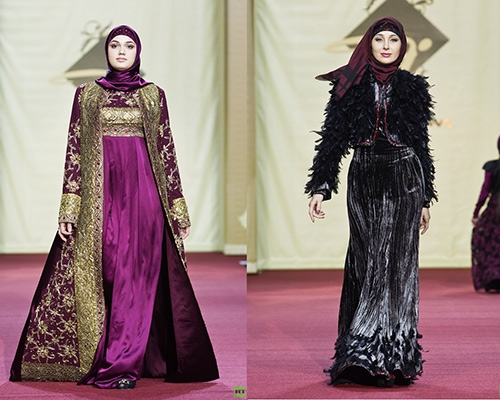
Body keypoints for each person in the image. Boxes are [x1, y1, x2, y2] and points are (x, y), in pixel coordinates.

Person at [10, 25, 219, 390]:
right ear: (106, 51)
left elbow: (166, 151)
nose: (122, 51)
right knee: (107, 273)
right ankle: (119, 352)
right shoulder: (87, 95)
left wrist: (177, 209)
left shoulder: (153, 95)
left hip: (145, 200)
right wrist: (69, 208)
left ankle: (123, 364)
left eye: (129, 45)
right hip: (99, 200)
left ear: (138, 52)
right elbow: (74, 151)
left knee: (134, 278)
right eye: (115, 45)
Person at [305, 17, 437, 387]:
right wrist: (320, 186)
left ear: (402, 46)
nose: (386, 46)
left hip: (405, 177)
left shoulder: (412, 88)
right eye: (379, 39)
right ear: (369, 44)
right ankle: (363, 357)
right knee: (366, 261)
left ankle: (391, 358)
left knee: (398, 266)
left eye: (393, 40)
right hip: (363, 177)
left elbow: (421, 144)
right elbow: (333, 138)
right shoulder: (349, 84)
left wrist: (426, 197)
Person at [471, 136, 500, 292]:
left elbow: (485, 190)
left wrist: (476, 212)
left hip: (495, 209)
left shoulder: (492, 167)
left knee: (487, 242)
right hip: (496, 209)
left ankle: (492, 278)